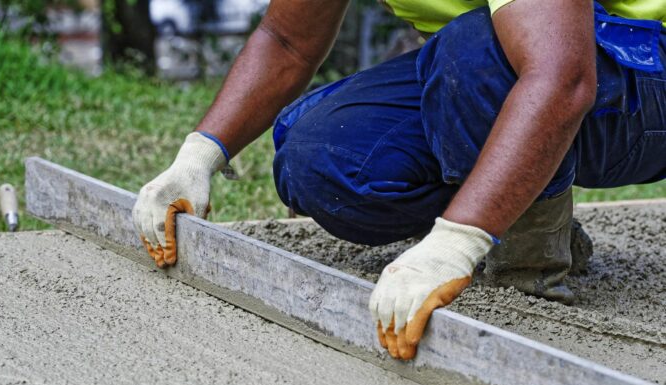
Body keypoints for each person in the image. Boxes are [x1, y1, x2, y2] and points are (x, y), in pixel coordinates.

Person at [132, 0, 666, 360]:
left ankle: (526, 270)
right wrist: (197, 157)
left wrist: (456, 244)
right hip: (503, 63)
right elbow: (287, 41)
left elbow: (563, 78)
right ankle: (521, 211)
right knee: (319, 153)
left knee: (475, 49)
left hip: (638, 70)